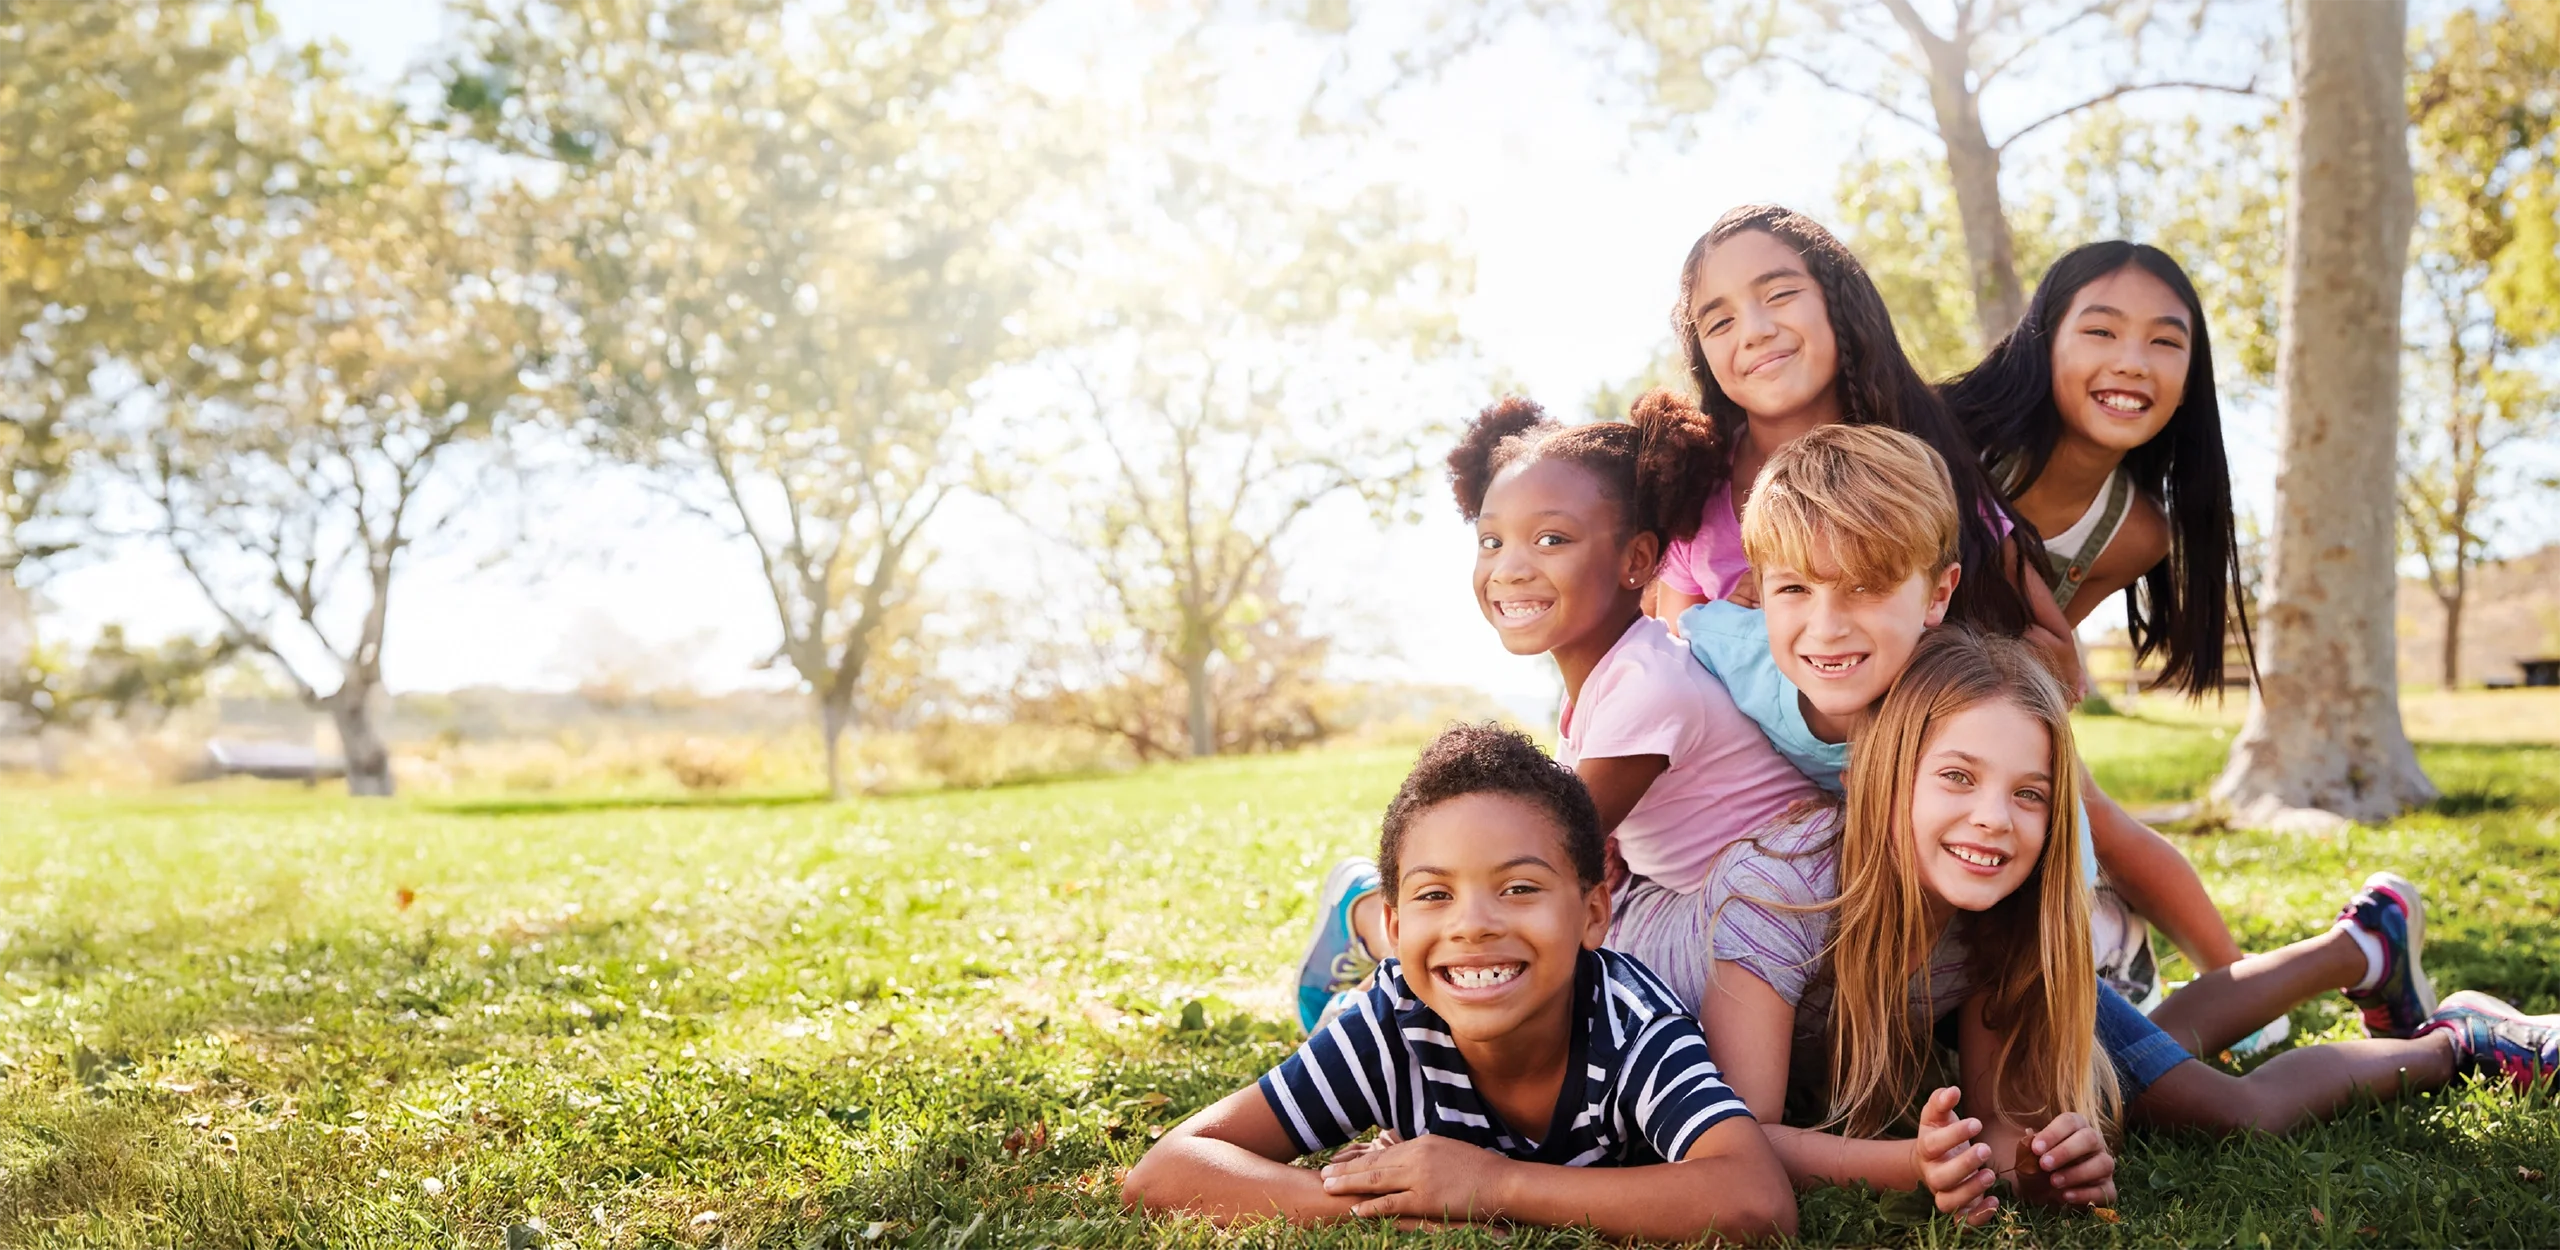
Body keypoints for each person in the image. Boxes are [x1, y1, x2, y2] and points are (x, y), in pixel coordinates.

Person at [1690, 425, 2560, 1155]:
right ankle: (2358, 946)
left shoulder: (1975, 705)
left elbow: (2042, 827)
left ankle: (2458, 1040)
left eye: (1866, 588)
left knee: (2210, 1105)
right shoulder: (1737, 648)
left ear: (1936, 596)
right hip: (1922, 942)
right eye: (1795, 590)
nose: (1828, 623)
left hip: (2010, 930)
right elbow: (1668, 656)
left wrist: (2045, 959)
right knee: (2160, 1038)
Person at [1123, 723, 1798, 1240]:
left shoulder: (1631, 1024)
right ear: (1398, 921)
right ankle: (1354, 915)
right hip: (1396, 1001)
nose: (1473, 923)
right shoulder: (1395, 1020)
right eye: (1434, 894)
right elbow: (1168, 1169)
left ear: (1594, 914)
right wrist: (1386, 1202)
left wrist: (1492, 1184)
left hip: (1473, 1000)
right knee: (1341, 1020)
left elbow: (1755, 1198)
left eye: (1519, 887)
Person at [1293, 395, 1821, 1030]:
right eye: (1492, 541)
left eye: (1550, 539)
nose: (1510, 568)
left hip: (1765, 912)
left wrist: (1589, 850)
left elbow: (1542, 855)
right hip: (1702, 908)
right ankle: (1374, 934)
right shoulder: (1607, 682)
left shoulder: (1648, 683)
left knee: (1531, 938)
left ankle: (1372, 936)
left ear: (1637, 561)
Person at [1704, 626, 2121, 1223]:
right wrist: (1911, 1164)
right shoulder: (1778, 890)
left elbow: (1996, 1126)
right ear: (1881, 778)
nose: (1994, 819)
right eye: (1958, 776)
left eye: (2029, 793)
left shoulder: (1998, 918)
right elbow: (1737, 1139)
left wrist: (2039, 1169)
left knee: (2202, 1095)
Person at [1648, 204, 2075, 685]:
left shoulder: (1919, 471)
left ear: (1838, 301)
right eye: (1719, 323)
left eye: (1781, 294)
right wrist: (1740, 628)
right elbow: (1670, 675)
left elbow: (2059, 660)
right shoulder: (1696, 495)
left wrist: (1895, 623)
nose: (1755, 330)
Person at [1944, 241, 2251, 697]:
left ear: (2189, 383)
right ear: (2044, 344)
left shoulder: (2135, 536)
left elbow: (2033, 668)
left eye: (2165, 341)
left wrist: (2050, 673)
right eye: (2101, 332)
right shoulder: (1940, 438)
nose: (2132, 364)